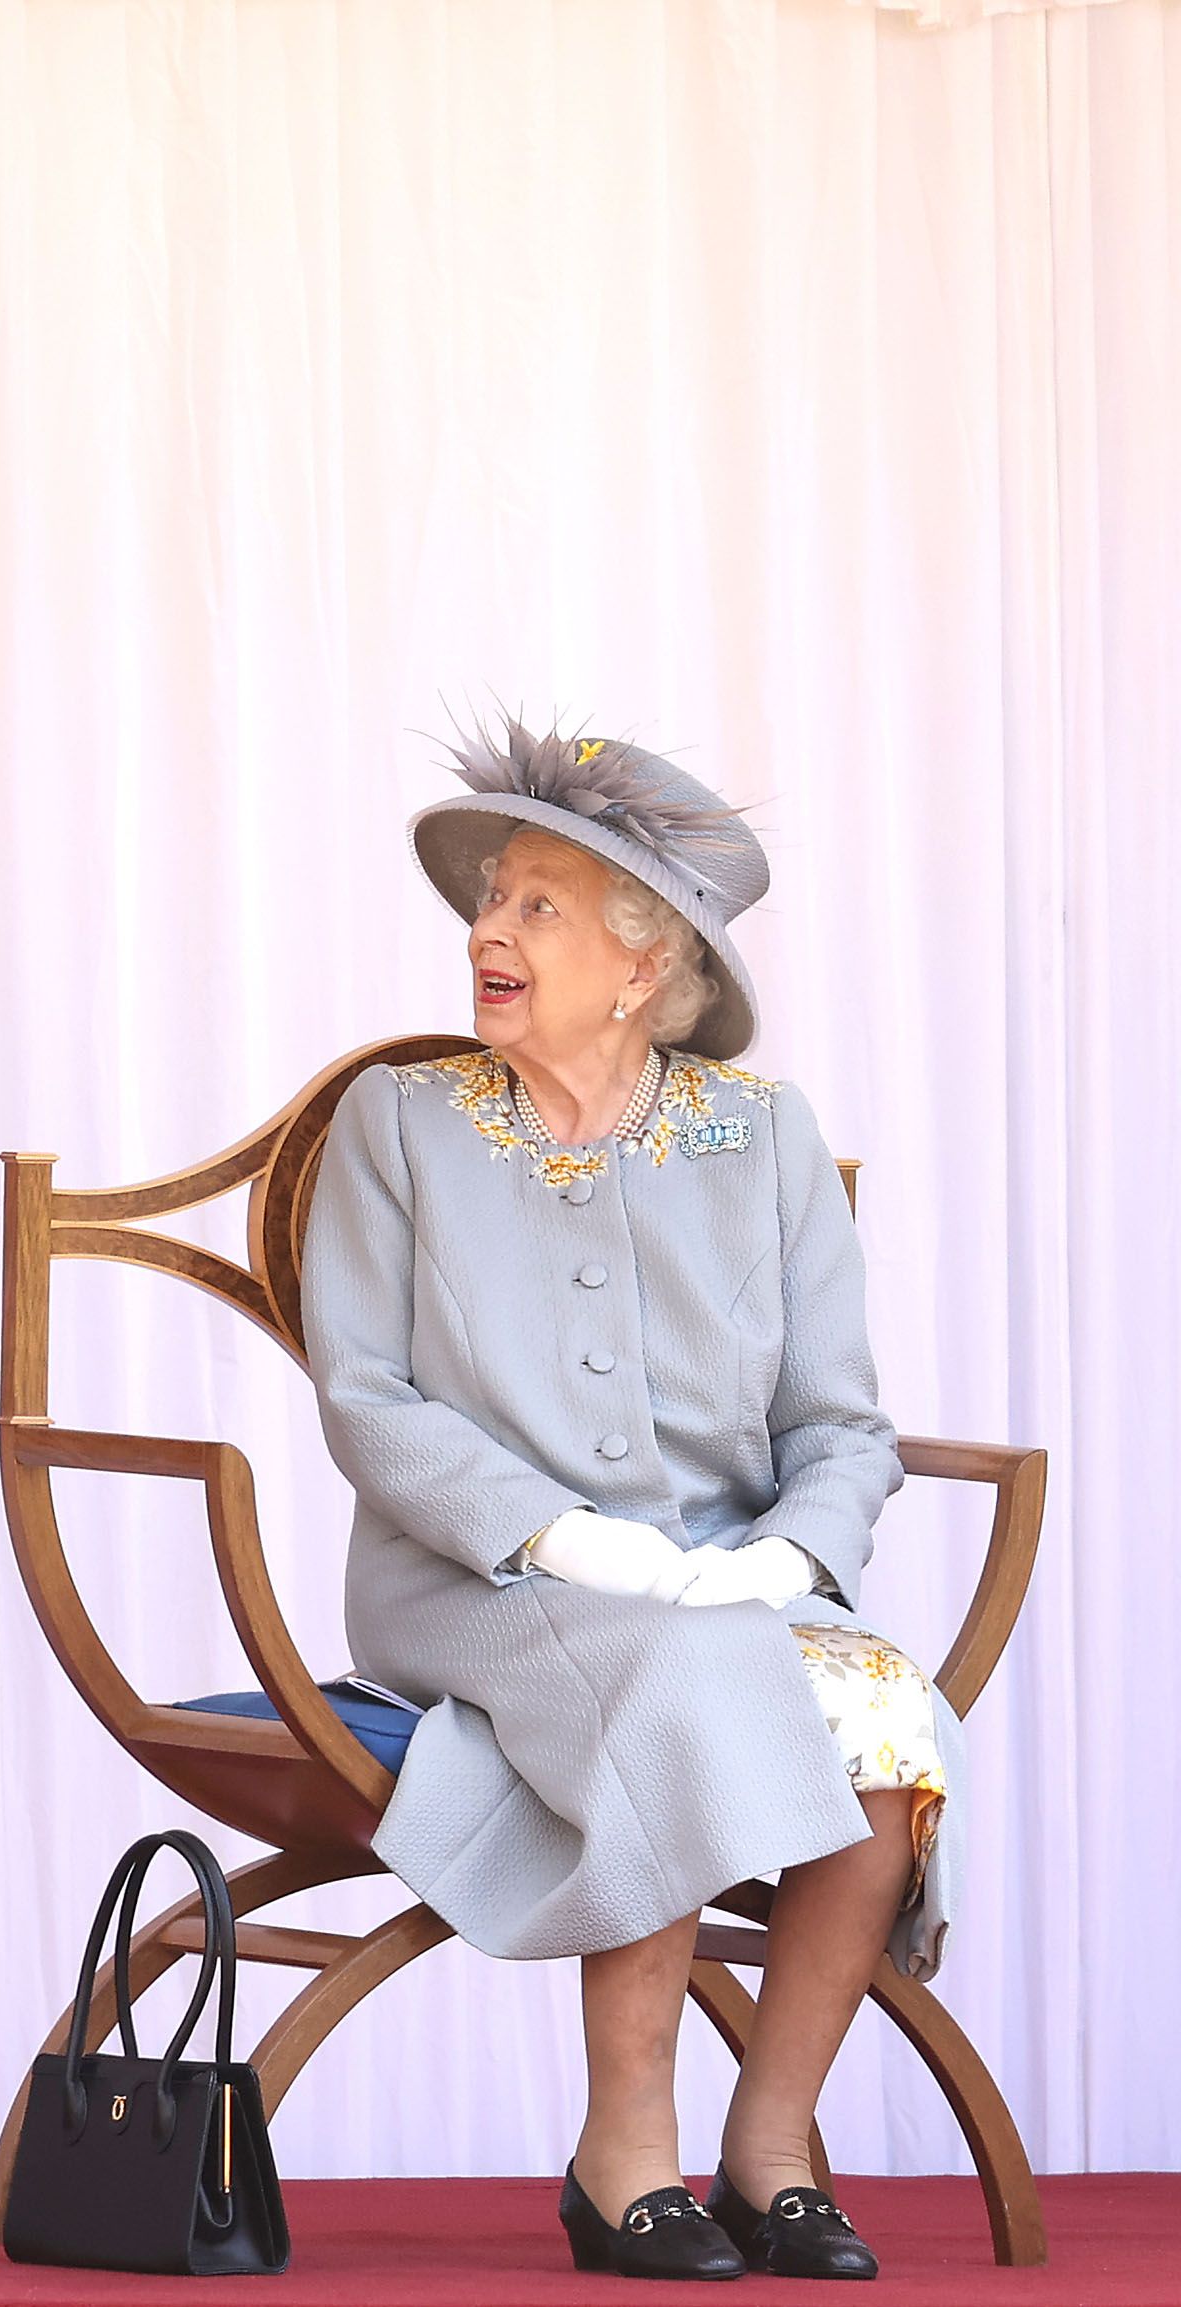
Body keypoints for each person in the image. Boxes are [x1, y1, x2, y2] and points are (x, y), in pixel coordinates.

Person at [302, 718, 952, 2282]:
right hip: (480, 1586)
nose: (486, 932)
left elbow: (844, 1425)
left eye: (534, 905)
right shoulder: (400, 1125)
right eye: (490, 901)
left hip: (725, 1579)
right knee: (685, 1686)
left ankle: (771, 2144)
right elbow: (366, 1401)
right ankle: (624, 2156)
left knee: (886, 1721)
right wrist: (556, 1533)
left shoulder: (765, 1137)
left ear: (642, 966)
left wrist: (792, 1554)